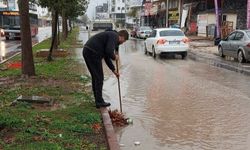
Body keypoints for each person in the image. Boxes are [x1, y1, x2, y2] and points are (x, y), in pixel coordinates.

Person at [82, 30, 129, 108]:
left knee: (96, 77)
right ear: (122, 37)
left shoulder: (111, 37)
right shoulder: (114, 36)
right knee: (99, 78)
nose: (122, 43)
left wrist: (114, 70)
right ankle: (99, 101)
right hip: (92, 53)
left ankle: (98, 99)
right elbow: (109, 51)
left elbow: (106, 56)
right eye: (123, 41)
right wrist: (114, 57)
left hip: (89, 51)